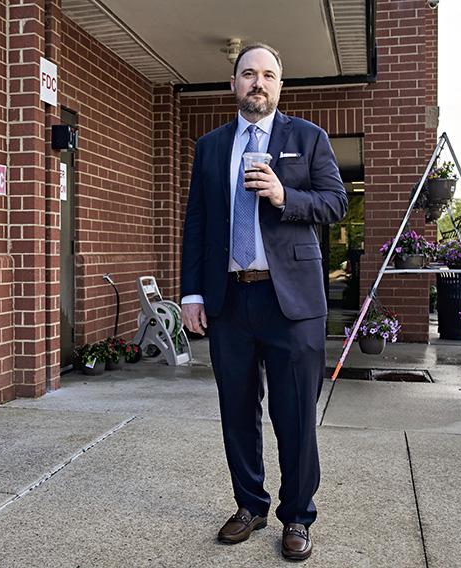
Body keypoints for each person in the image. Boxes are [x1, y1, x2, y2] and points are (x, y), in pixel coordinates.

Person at [180, 43, 347, 561]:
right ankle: (249, 504)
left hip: (291, 302)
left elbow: (336, 203)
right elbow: (197, 224)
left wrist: (283, 196)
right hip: (230, 300)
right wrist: (191, 293)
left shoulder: (309, 138)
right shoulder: (210, 146)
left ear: (280, 85)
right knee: (237, 412)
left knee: (294, 414)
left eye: (268, 75)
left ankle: (297, 516)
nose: (259, 83)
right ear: (233, 83)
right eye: (248, 73)